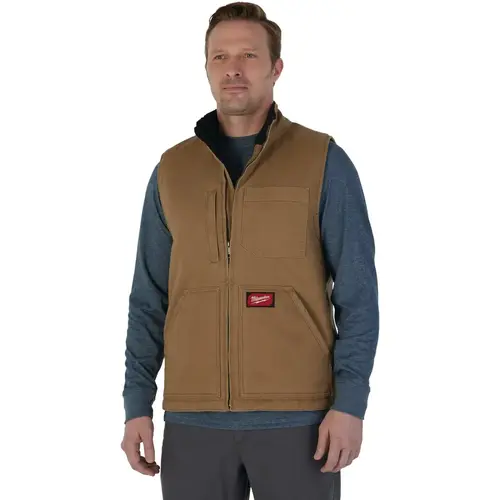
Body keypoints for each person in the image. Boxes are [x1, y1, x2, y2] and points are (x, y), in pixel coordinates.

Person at [120, 2, 379, 499]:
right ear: (206, 67)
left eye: (248, 55)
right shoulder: (172, 171)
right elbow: (148, 299)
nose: (233, 69)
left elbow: (358, 294)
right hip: (193, 419)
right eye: (220, 57)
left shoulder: (323, 161)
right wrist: (137, 406)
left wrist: (350, 403)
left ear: (276, 68)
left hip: (300, 420)